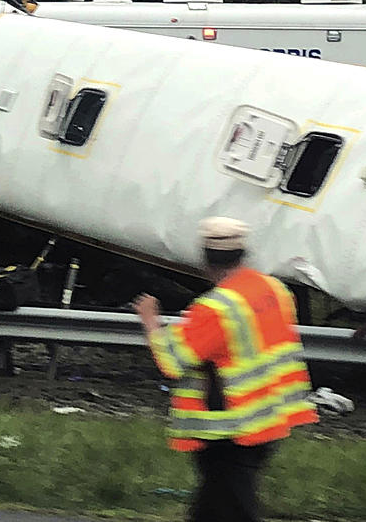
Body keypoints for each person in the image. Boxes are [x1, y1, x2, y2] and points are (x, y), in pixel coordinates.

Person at [134, 217, 318, 522]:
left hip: (228, 429)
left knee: (232, 507)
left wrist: (151, 322)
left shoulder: (216, 309)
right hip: (269, 417)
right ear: (244, 254)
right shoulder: (275, 289)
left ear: (205, 261)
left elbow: (172, 361)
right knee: (214, 507)